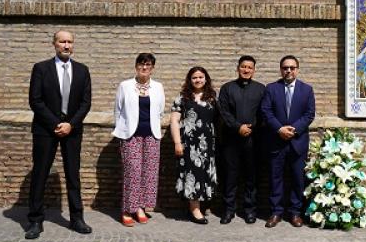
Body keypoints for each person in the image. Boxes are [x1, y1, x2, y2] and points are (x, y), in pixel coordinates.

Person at [26, 30, 93, 239]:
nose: (66, 45)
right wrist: (56, 123)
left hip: (72, 131)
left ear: (73, 45)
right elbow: (35, 100)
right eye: (62, 41)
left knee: (73, 174)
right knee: (40, 174)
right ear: (54, 44)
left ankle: (77, 218)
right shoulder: (41, 68)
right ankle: (35, 220)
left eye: (70, 42)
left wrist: (70, 125)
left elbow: (85, 103)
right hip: (45, 130)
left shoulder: (83, 70)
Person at [260, 55, 316, 228]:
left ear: (297, 69)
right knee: (275, 178)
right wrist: (280, 129)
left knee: (298, 179)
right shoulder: (271, 88)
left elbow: (309, 114)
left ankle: (295, 213)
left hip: (297, 142)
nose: (289, 70)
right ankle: (276, 212)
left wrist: (293, 129)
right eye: (285, 68)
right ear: (281, 69)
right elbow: (266, 111)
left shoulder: (307, 90)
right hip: (276, 141)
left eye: (292, 67)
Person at [112, 53, 165, 227]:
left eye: (148, 65)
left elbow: (160, 111)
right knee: (132, 172)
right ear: (136, 66)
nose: (144, 68)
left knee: (148, 173)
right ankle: (127, 209)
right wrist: (122, 131)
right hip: (131, 136)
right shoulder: (125, 86)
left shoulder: (158, 87)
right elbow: (118, 110)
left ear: (152, 68)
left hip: (151, 135)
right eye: (141, 64)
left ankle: (140, 208)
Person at [218, 55, 266, 224]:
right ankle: (229, 210)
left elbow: (264, 112)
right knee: (230, 176)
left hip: (254, 140)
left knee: (251, 177)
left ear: (254, 70)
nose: (246, 70)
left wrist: (251, 127)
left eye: (250, 67)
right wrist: (238, 127)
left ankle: (250, 211)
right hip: (231, 140)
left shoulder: (261, 89)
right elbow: (223, 111)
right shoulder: (227, 88)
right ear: (238, 68)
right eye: (243, 66)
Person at [169, 66, 219, 224]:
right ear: (189, 80)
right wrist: (177, 142)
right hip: (189, 144)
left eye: (201, 77)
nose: (198, 80)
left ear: (206, 79)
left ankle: (198, 206)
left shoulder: (212, 97)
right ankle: (194, 209)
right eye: (194, 78)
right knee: (192, 174)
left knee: (203, 174)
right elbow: (174, 121)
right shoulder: (182, 98)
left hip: (208, 144)